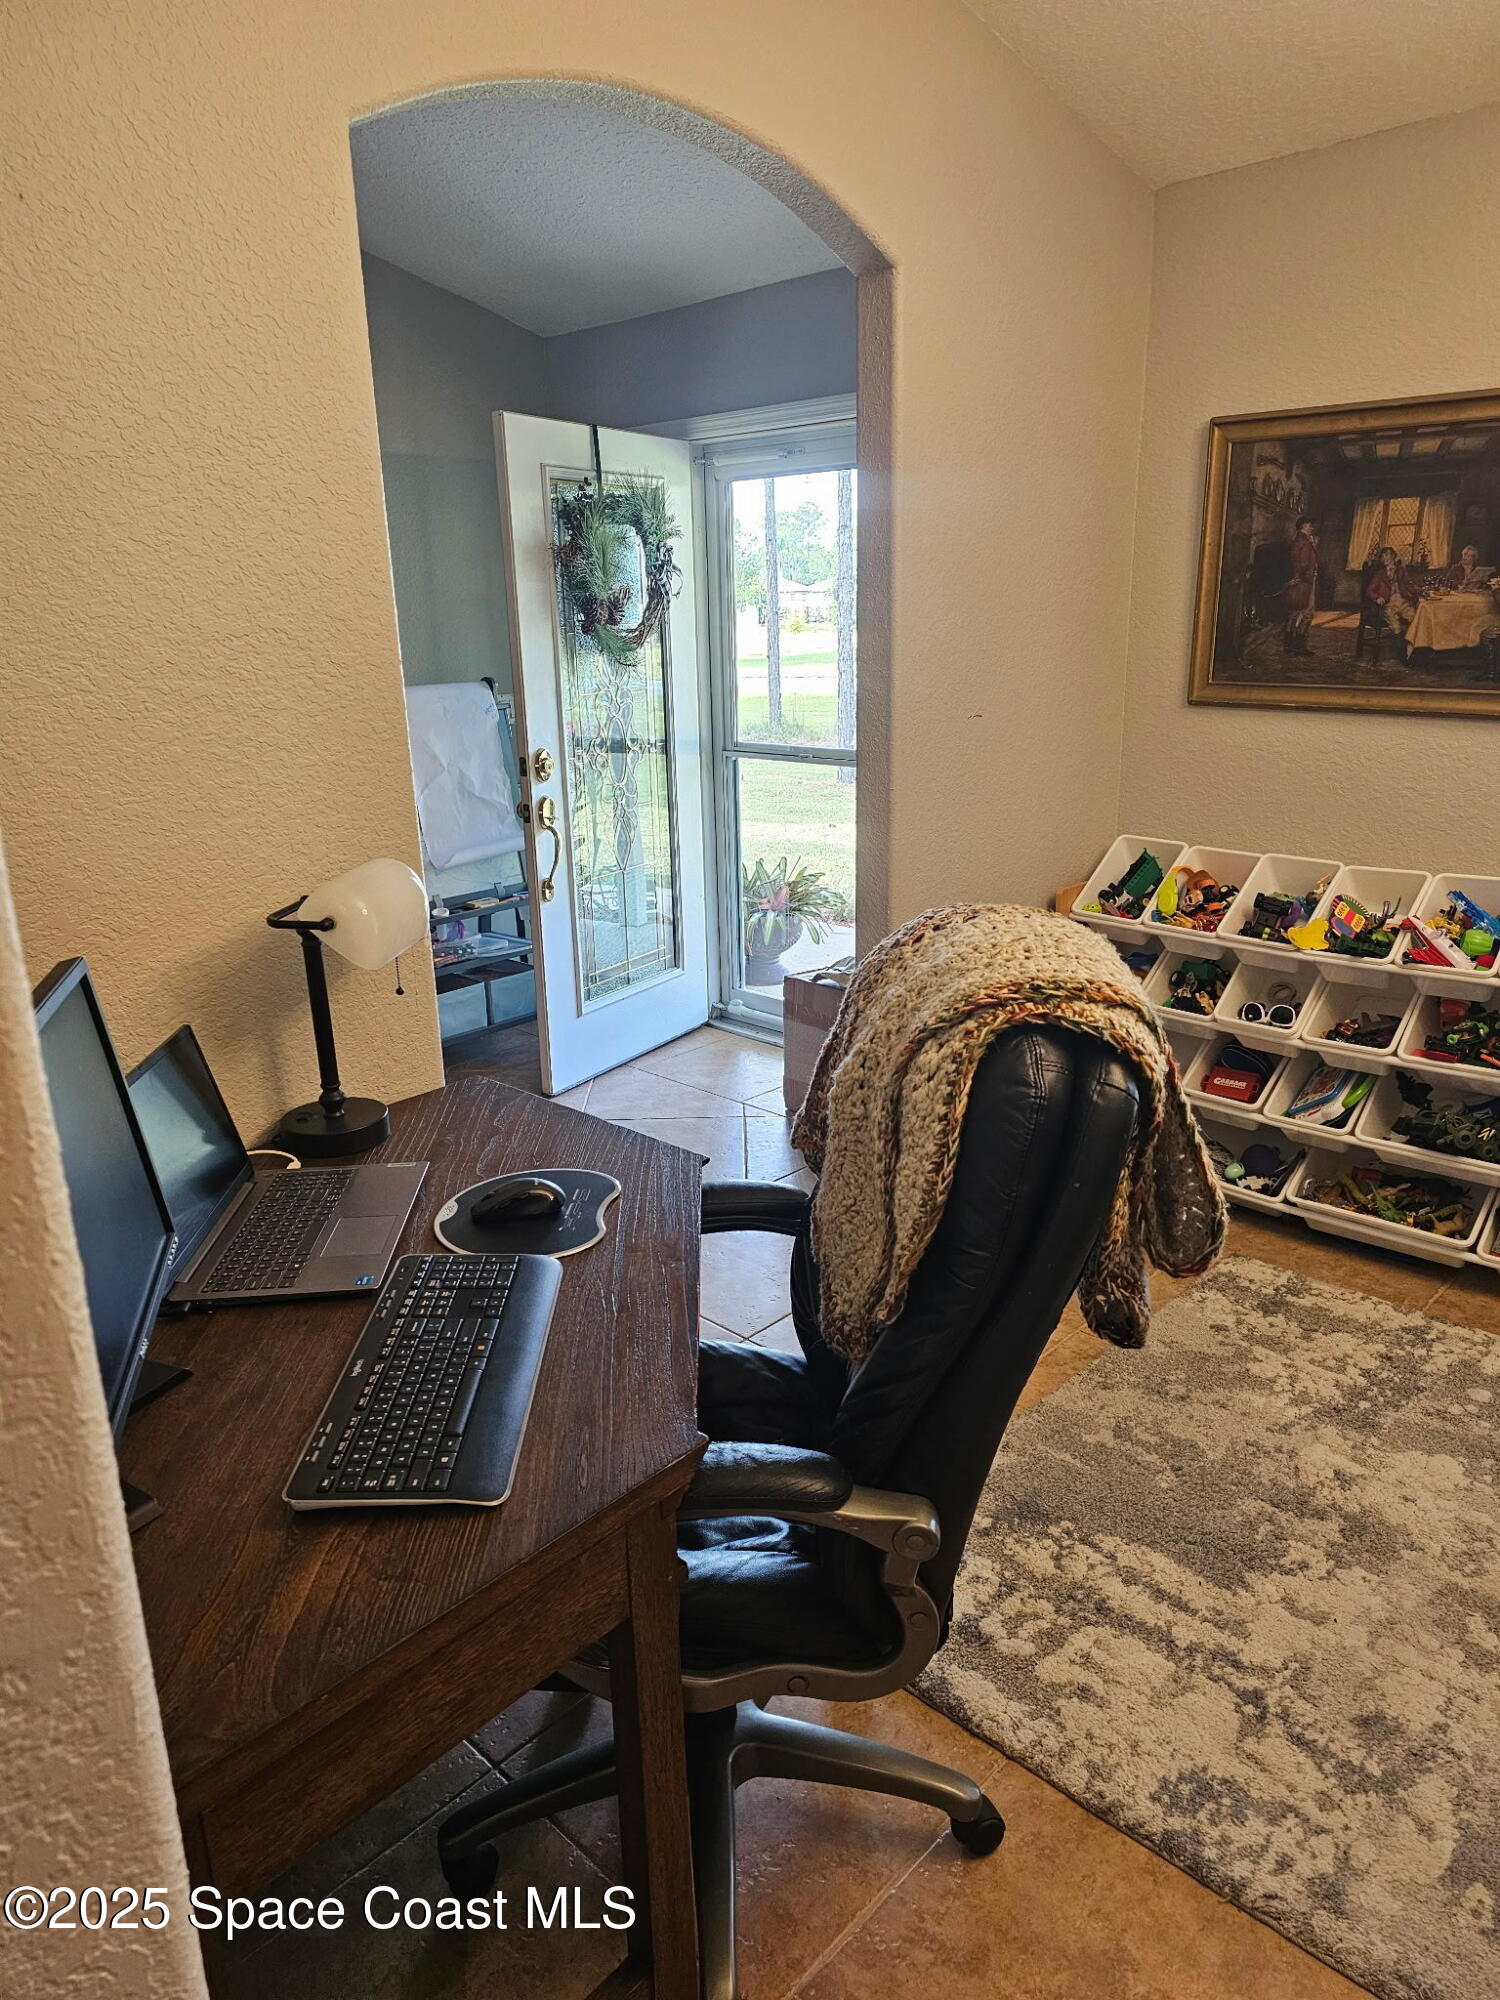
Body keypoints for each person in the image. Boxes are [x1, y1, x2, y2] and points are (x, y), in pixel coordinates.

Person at [1362, 545, 1421, 658]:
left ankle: (1413, 652)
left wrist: (1420, 591)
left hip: (1403, 602)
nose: (1385, 558)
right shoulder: (1379, 574)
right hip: (1388, 604)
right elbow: (1369, 591)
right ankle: (1403, 654)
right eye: (1383, 556)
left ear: (1393, 557)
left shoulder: (1401, 571)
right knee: (1395, 625)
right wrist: (1377, 597)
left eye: (1387, 555)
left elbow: (1409, 584)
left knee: (1415, 619)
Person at [1283, 517, 1319, 655]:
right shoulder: (1304, 542)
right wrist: (1303, 578)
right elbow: (1303, 564)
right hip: (1304, 582)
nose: (1312, 528)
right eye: (1310, 525)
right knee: (1306, 613)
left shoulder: (1300, 540)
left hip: (1300, 581)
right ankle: (1298, 646)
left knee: (1295, 613)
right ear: (1304, 526)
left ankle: (1290, 646)